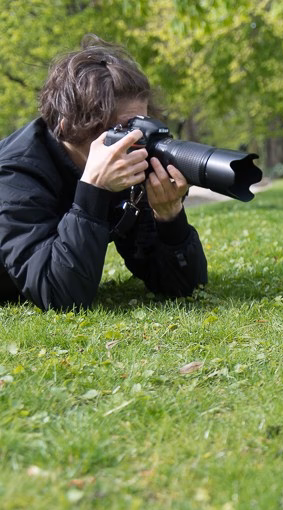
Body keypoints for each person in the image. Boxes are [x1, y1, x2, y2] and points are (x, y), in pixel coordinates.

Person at [0, 35, 207, 311]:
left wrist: (170, 219)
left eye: (140, 126)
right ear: (67, 125)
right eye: (120, 131)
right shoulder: (16, 174)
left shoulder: (124, 162)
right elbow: (59, 296)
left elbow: (182, 286)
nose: (133, 143)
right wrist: (93, 190)